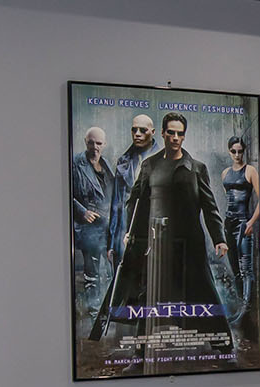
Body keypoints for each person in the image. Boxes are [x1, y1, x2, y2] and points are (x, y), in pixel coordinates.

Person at [97, 112, 228, 330]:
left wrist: (219, 238)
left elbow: (210, 207)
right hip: (156, 242)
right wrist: (131, 232)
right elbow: (135, 201)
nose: (175, 138)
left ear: (184, 137)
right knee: (149, 294)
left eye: (180, 134)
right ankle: (141, 352)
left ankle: (223, 346)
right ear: (164, 134)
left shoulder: (197, 168)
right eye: (171, 133)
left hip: (189, 242)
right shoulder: (149, 166)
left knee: (202, 293)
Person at [70, 126, 114, 297]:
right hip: (89, 229)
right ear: (85, 143)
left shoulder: (106, 164)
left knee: (112, 274)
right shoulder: (74, 163)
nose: (95, 147)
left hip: (107, 227)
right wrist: (82, 212)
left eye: (99, 143)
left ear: (104, 144)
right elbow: (65, 194)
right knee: (92, 278)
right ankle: (94, 316)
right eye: (91, 143)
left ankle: (108, 317)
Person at [222, 135, 260, 330]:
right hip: (229, 223)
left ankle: (247, 310)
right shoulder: (225, 173)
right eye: (233, 151)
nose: (237, 154)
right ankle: (240, 309)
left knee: (246, 269)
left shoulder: (251, 171)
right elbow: (228, 199)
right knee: (235, 269)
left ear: (243, 151)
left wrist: (252, 221)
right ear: (229, 151)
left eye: (240, 151)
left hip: (244, 223)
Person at [107, 114, 156, 260]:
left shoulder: (165, 159)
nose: (137, 134)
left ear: (152, 132)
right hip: (126, 230)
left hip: (153, 229)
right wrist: (112, 243)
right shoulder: (124, 161)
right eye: (134, 130)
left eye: (143, 130)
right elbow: (116, 204)